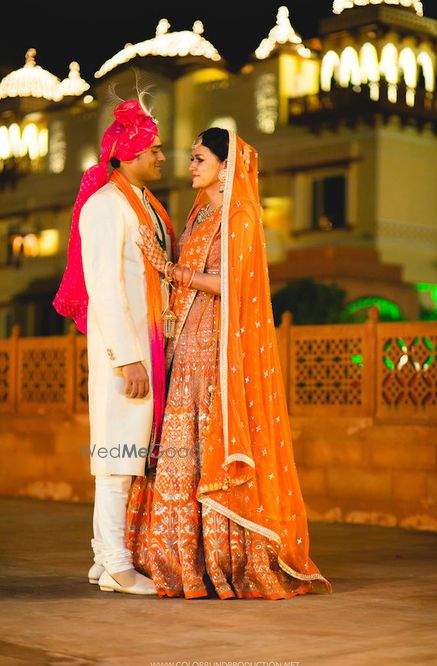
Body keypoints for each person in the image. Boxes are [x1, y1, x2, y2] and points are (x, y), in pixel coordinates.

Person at [127, 128, 331, 599]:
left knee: (206, 449)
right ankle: (180, 560)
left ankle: (224, 559)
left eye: (199, 159)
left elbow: (231, 285)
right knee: (181, 449)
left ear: (225, 164)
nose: (191, 167)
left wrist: (168, 268)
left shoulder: (239, 216)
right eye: (191, 159)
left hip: (216, 349)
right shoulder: (200, 214)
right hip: (186, 344)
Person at [53, 98, 175, 595]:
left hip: (149, 346)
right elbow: (103, 286)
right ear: (128, 153)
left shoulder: (142, 203)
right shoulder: (106, 205)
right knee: (116, 456)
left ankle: (107, 560)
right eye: (155, 149)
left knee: (133, 456)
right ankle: (115, 561)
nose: (162, 158)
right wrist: (127, 358)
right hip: (124, 353)